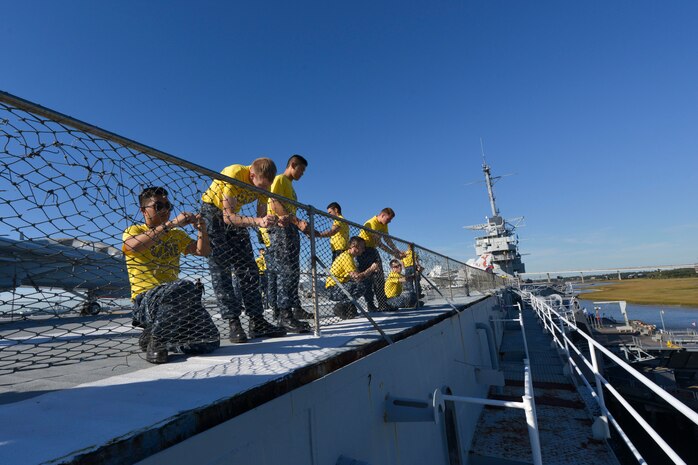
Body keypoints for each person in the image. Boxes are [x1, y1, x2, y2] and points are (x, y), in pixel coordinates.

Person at [123, 186, 220, 364]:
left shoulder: (177, 235)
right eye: (159, 206)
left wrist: (202, 229)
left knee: (209, 341)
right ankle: (158, 343)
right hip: (146, 299)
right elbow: (132, 247)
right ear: (144, 210)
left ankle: (155, 335)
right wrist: (171, 224)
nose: (165, 210)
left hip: (176, 298)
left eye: (168, 206)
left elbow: (203, 251)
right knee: (185, 287)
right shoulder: (134, 230)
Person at [200, 158, 287, 343]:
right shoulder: (234, 174)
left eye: (267, 187)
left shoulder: (265, 185)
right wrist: (257, 222)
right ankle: (233, 322)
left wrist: (271, 221)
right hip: (213, 212)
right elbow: (227, 217)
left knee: (249, 268)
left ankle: (257, 321)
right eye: (261, 186)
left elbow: (260, 215)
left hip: (235, 217)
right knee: (221, 268)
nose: (263, 191)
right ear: (252, 175)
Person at [266, 154, 312, 332]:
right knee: (286, 270)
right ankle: (284, 315)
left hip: (290, 229)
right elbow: (274, 201)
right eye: (301, 169)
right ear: (293, 165)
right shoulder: (280, 179)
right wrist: (295, 222)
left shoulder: (291, 186)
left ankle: (291, 311)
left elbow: (289, 210)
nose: (302, 174)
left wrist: (299, 224)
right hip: (281, 229)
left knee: (293, 271)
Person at [357, 208, 405, 311]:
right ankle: (370, 304)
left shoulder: (384, 225)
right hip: (364, 251)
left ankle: (382, 303)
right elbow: (380, 243)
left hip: (373, 250)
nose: (389, 222)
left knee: (379, 277)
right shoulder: (371, 223)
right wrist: (394, 253)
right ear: (382, 215)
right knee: (368, 279)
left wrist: (396, 250)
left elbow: (387, 239)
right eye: (388, 219)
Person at [325, 236, 378, 319]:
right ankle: (340, 306)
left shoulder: (349, 257)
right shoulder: (346, 257)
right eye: (362, 247)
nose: (364, 250)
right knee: (361, 286)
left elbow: (355, 277)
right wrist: (370, 269)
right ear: (354, 247)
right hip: (333, 289)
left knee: (359, 284)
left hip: (339, 287)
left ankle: (347, 307)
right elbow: (357, 277)